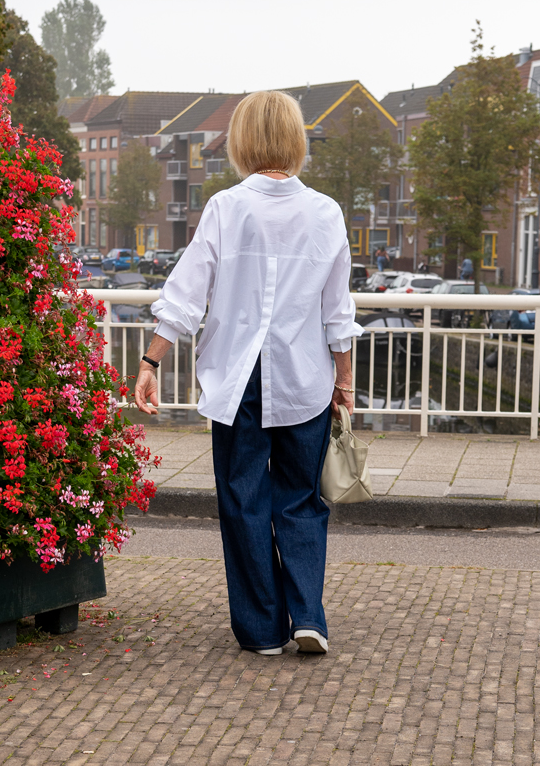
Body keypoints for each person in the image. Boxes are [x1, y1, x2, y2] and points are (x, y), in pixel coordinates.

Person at [135, 91, 362, 657]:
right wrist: (344, 382)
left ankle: (262, 630)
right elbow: (338, 312)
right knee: (301, 498)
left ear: (241, 141)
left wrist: (151, 361)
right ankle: (308, 616)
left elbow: (186, 295)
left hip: (240, 378)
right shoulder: (326, 212)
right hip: (304, 376)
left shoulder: (226, 208)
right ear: (295, 140)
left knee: (243, 497)